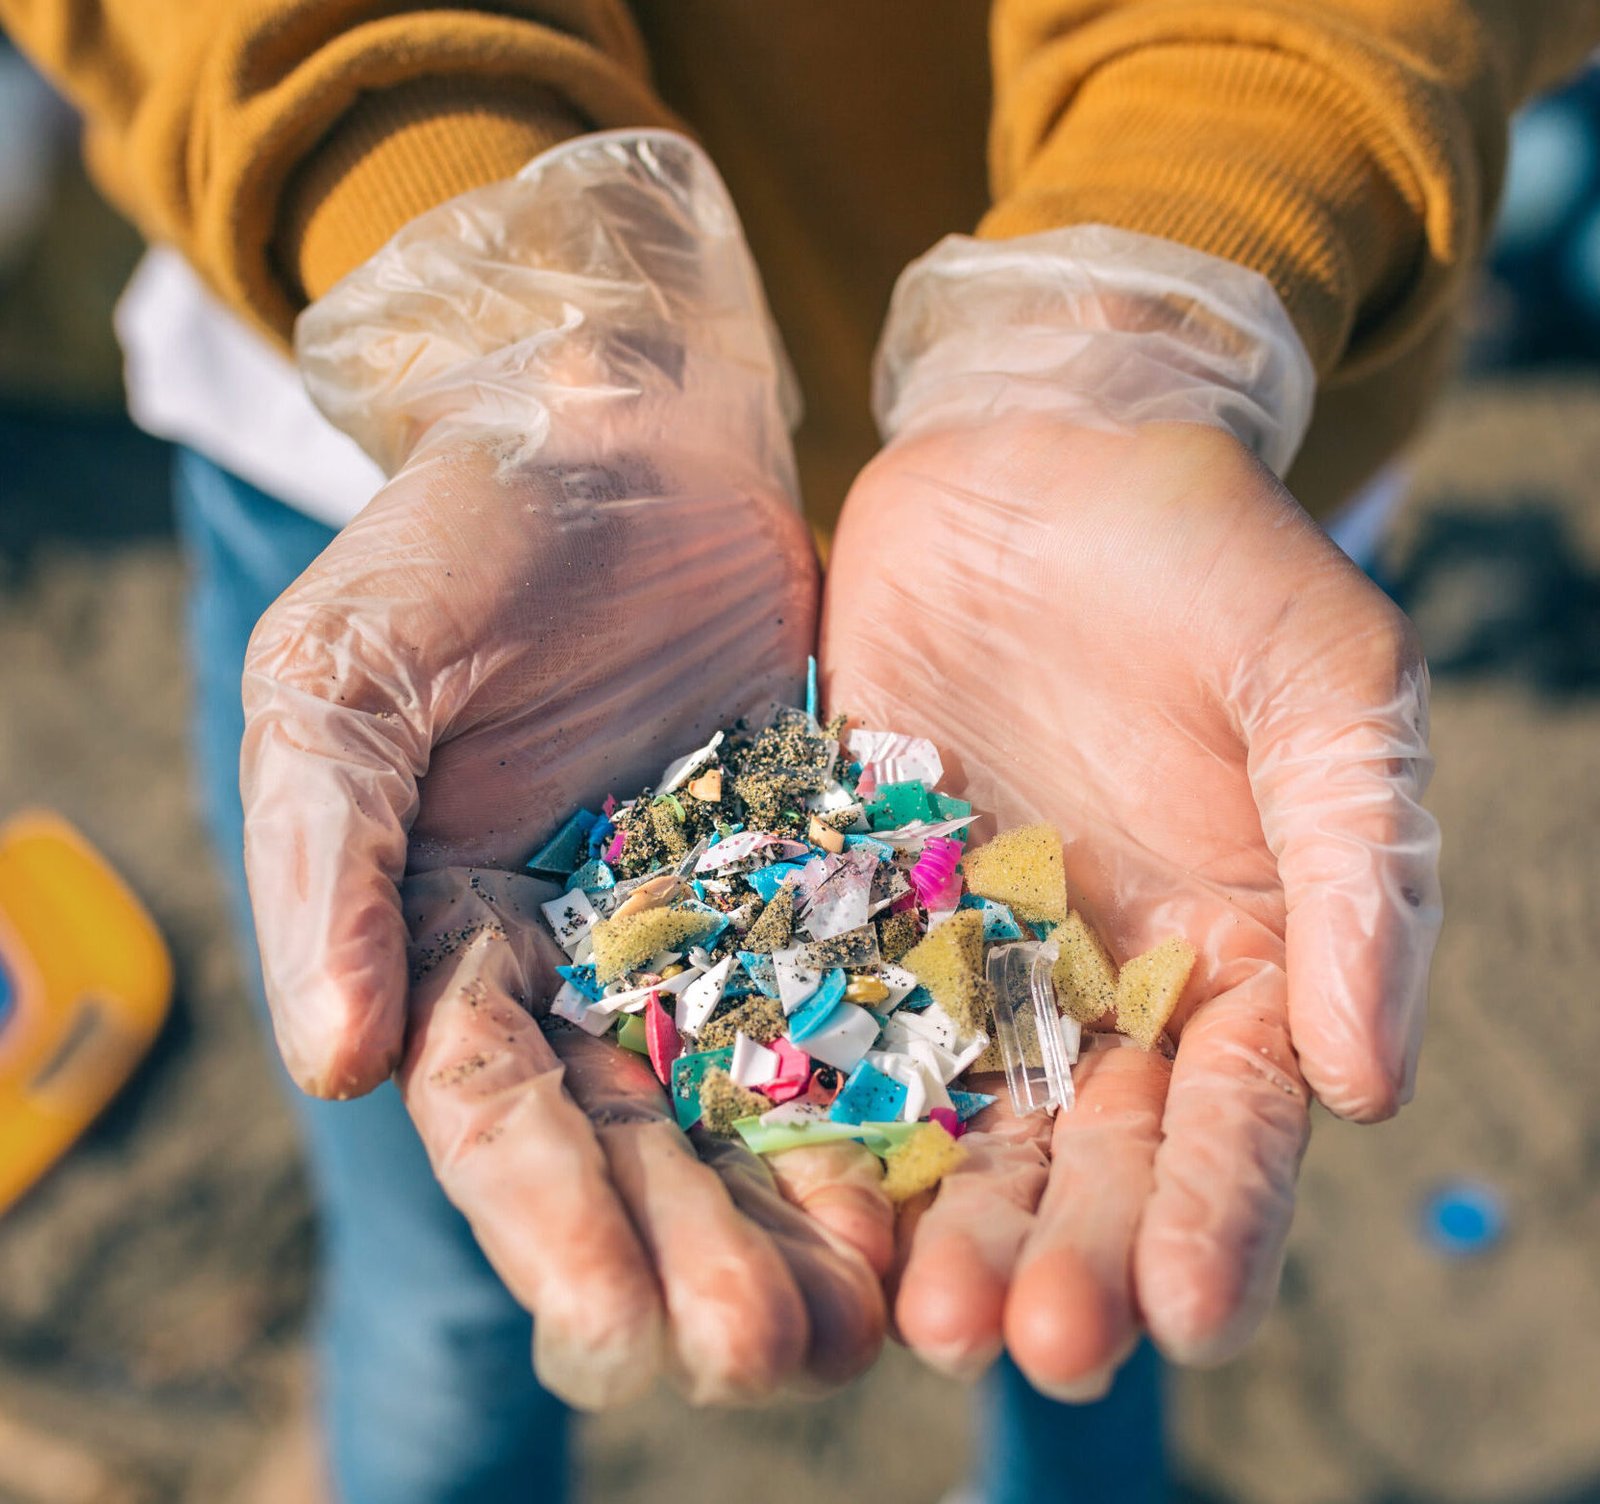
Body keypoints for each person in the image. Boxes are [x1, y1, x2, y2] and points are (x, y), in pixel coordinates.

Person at [2, 4, 1593, 1501]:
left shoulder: (988, 901)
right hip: (456, 481)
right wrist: (491, 297)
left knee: (1089, 1259)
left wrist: (1155, 309)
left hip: (1168, 518)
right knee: (451, 1277)